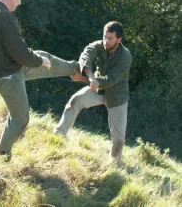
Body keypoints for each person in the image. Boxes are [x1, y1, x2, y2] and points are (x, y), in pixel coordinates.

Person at [0, 0, 86, 160]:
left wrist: (40, 60)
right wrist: (39, 62)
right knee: (20, 119)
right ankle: (2, 155)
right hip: (7, 77)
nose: (19, 3)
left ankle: (76, 69)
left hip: (10, 68)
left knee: (44, 56)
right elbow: (21, 53)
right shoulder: (3, 17)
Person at [55, 21, 132, 165]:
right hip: (97, 89)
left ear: (119, 39)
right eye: (105, 37)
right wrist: (90, 78)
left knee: (119, 139)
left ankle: (114, 163)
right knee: (75, 101)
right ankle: (58, 135)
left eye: (110, 39)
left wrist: (83, 79)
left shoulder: (125, 56)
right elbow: (85, 56)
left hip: (117, 96)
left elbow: (110, 80)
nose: (106, 41)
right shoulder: (99, 45)